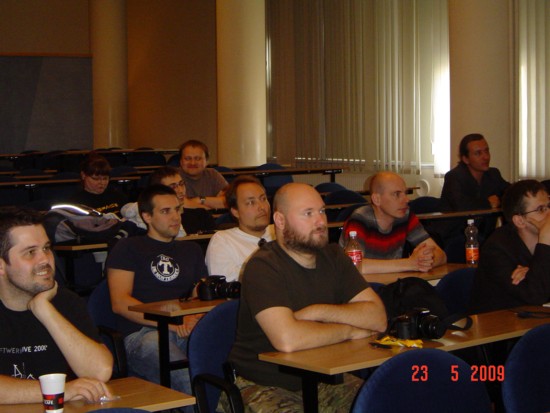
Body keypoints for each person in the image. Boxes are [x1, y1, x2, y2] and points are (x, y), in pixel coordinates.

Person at [228, 183, 386, 412]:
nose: (320, 221)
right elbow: (288, 339)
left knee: (385, 403)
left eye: (321, 211)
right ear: (280, 221)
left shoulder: (334, 256)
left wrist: (318, 311)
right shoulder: (263, 266)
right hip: (265, 384)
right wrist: (349, 331)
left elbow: (377, 318)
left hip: (324, 379)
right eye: (308, 213)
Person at [0, 207, 113, 404]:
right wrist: (57, 391)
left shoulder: (65, 301)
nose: (45, 259)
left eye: (46, 248)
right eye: (30, 252)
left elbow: (99, 372)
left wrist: (44, 309)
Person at [106, 184, 208, 397]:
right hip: (143, 333)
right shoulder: (128, 248)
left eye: (177, 209)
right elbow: (120, 303)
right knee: (186, 377)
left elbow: (201, 295)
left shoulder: (191, 249)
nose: (175, 217)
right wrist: (172, 324)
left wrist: (195, 317)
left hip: (185, 327)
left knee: (220, 355)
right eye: (165, 211)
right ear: (147, 216)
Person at [339, 171, 446, 274]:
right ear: (376, 199)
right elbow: (354, 265)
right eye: (396, 194)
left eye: (405, 193)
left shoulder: (405, 216)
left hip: (391, 281)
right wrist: (409, 263)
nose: (406, 200)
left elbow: (441, 255)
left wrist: (424, 261)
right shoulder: (359, 219)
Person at [469, 179, 550, 314]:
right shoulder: (496, 249)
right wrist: (545, 241)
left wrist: (533, 272)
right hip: (498, 322)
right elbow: (535, 296)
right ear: (520, 221)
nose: (549, 214)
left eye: (549, 206)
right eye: (541, 209)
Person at [437, 133, 510, 245]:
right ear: (465, 159)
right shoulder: (454, 177)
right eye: (478, 153)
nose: (485, 157)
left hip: (484, 235)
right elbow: (462, 206)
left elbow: (510, 193)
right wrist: (488, 203)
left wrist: (500, 200)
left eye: (486, 151)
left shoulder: (493, 174)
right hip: (456, 236)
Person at [205, 175, 275, 282]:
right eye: (251, 202)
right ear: (235, 211)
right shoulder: (223, 241)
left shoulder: (282, 232)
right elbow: (226, 283)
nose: (262, 207)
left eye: (263, 199)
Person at [121, 166, 215, 235]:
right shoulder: (152, 222)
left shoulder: (202, 215)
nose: (180, 190)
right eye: (173, 187)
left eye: (181, 184)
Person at [179, 140, 228, 209]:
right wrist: (212, 203)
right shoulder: (173, 177)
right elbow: (180, 204)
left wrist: (199, 200)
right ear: (181, 161)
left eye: (198, 158)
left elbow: (228, 201)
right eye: (187, 158)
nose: (192, 163)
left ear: (207, 161)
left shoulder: (213, 174)